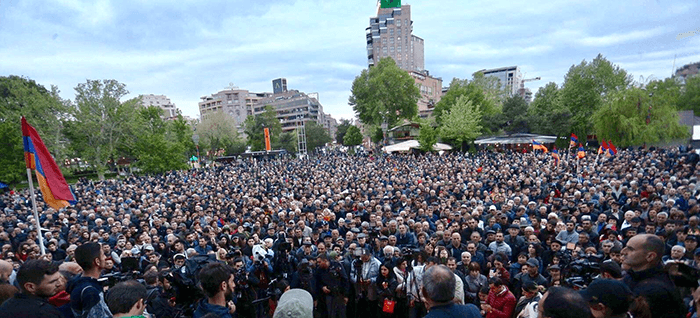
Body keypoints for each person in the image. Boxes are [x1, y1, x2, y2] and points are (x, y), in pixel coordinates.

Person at [621, 234, 684, 318]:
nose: (623, 252)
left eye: (631, 249)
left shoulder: (657, 290)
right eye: (626, 247)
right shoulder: (632, 275)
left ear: (650, 256)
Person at [68, 242, 113, 318]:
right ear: (97, 261)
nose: (105, 257)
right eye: (103, 255)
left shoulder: (78, 283)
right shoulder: (90, 291)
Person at [315, 253, 349, 318]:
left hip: (339, 294)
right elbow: (317, 282)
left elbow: (345, 280)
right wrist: (322, 287)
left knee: (341, 314)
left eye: (319, 262)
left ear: (325, 260)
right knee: (331, 314)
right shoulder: (319, 270)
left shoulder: (337, 265)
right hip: (328, 295)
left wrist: (346, 295)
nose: (318, 264)